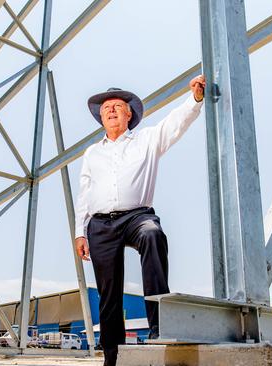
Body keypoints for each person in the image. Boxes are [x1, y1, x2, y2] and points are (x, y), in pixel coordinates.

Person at [74, 75, 205, 366]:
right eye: (106, 107)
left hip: (137, 216)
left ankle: (159, 328)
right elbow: (84, 193)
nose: (110, 110)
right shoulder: (92, 153)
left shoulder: (146, 140)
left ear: (129, 113)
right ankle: (113, 357)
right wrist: (80, 232)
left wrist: (194, 100)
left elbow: (174, 124)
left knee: (152, 235)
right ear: (101, 117)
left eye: (117, 106)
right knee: (108, 296)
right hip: (100, 225)